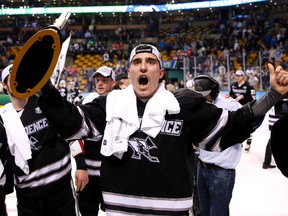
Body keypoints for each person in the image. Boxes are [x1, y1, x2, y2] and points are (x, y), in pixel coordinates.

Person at [37, 44, 288, 215]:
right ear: (130, 72)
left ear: (161, 72)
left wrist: (273, 95)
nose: (143, 67)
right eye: (137, 62)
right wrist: (44, 87)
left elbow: (232, 126)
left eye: (150, 62)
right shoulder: (109, 105)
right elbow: (71, 122)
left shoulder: (184, 106)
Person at [0, 64, 82, 216]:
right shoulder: (3, 119)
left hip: (61, 189)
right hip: (28, 198)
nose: (18, 82)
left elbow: (70, 132)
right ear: (4, 85)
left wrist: (81, 165)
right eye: (12, 79)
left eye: (20, 77)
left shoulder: (46, 103)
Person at [194, 75, 242, 216]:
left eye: (204, 95)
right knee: (204, 212)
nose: (202, 99)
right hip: (201, 168)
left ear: (214, 92)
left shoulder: (230, 105)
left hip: (221, 172)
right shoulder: (199, 107)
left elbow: (248, 123)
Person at [77, 66, 116, 216]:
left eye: (104, 80)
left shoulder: (121, 103)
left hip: (111, 172)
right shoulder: (85, 101)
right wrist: (80, 165)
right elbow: (76, 136)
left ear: (113, 83)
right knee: (87, 211)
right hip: (89, 171)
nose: (99, 83)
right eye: (97, 80)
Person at [225, 69, 256, 151]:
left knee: (248, 126)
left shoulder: (249, 86)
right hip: (236, 109)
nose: (237, 77)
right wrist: (230, 97)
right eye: (236, 76)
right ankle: (239, 142)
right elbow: (231, 94)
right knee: (237, 126)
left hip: (246, 109)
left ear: (243, 76)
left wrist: (243, 97)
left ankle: (248, 142)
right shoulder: (233, 85)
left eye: (239, 76)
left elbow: (253, 98)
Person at [263, 92, 288, 169]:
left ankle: (266, 162)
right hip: (277, 118)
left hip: (273, 117)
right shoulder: (282, 92)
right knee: (273, 140)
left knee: (273, 139)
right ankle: (266, 162)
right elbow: (284, 108)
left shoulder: (274, 90)